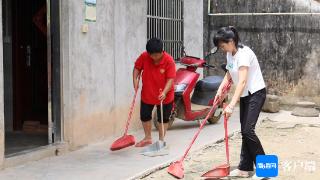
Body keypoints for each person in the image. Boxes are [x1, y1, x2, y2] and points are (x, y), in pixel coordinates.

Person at [213, 26, 267, 179]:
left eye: (222, 46)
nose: (222, 49)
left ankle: (266, 171)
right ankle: (245, 168)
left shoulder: (244, 54)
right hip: (245, 95)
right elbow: (229, 75)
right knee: (245, 130)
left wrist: (230, 105)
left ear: (231, 41)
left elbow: (242, 81)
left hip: (256, 93)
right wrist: (220, 90)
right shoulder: (231, 54)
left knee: (248, 130)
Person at [133, 38, 176, 147]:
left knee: (163, 118)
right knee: (145, 116)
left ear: (162, 51)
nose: (155, 58)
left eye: (157, 55)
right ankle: (147, 138)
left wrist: (165, 92)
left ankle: (161, 141)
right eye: (152, 55)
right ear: (148, 53)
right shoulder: (144, 56)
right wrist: (135, 79)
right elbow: (137, 68)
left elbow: (170, 79)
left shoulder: (169, 60)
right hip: (148, 93)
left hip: (165, 95)